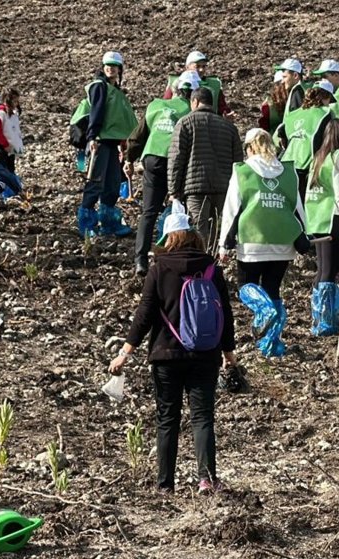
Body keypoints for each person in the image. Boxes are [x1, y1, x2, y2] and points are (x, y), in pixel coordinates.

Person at [109, 204, 236, 493]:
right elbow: (225, 314)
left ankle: (165, 484)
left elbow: (145, 314)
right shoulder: (211, 268)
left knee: (168, 418)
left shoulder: (159, 269)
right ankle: (206, 479)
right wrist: (229, 354)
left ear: (168, 238)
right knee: (202, 417)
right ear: (192, 236)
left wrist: (125, 352)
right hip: (206, 354)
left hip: (166, 355)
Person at [218, 128, 307, 358]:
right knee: (273, 289)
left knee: (246, 288)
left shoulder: (243, 171)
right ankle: (271, 344)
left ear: (249, 148)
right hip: (283, 243)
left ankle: (264, 311)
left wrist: (223, 244)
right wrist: (303, 235)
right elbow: (297, 207)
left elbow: (232, 208)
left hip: (251, 243)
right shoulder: (288, 172)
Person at [129, 72, 196, 274]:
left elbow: (138, 135)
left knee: (149, 212)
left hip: (151, 159)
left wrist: (129, 159)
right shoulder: (190, 110)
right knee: (178, 208)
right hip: (174, 160)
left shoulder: (155, 105)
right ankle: (172, 253)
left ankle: (140, 260)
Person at [169, 87, 245, 250]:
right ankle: (215, 266)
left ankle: (201, 266)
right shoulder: (229, 128)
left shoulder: (185, 122)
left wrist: (173, 189)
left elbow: (176, 158)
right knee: (218, 230)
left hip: (195, 188)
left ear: (194, 102)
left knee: (198, 230)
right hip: (223, 188)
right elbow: (238, 161)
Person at [76, 51, 137, 239]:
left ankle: (109, 223)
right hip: (100, 142)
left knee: (112, 183)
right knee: (95, 182)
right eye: (107, 65)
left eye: (114, 65)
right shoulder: (99, 87)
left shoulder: (116, 91)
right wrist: (92, 137)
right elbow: (97, 111)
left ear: (120, 69)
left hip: (111, 143)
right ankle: (87, 224)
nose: (111, 68)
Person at [305, 121, 339, 337]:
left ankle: (319, 317)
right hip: (332, 218)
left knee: (322, 268)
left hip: (316, 218)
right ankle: (326, 320)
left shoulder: (318, 157)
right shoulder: (338, 158)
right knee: (329, 269)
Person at [276, 80, 336, 196]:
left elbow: (281, 134)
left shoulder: (293, 114)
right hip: (308, 167)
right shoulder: (326, 113)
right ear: (326, 96)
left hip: (286, 166)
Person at [163, 51, 230, 115]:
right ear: (187, 67)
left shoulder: (214, 85)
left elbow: (222, 108)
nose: (201, 70)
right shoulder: (176, 84)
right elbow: (164, 106)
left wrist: (226, 115)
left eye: (204, 66)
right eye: (197, 66)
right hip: (181, 124)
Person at [0, 88, 24, 175]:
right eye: (14, 100)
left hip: (10, 150)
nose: (16, 103)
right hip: (1, 149)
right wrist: (5, 145)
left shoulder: (13, 116)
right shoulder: (0, 113)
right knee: (2, 172)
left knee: (10, 170)